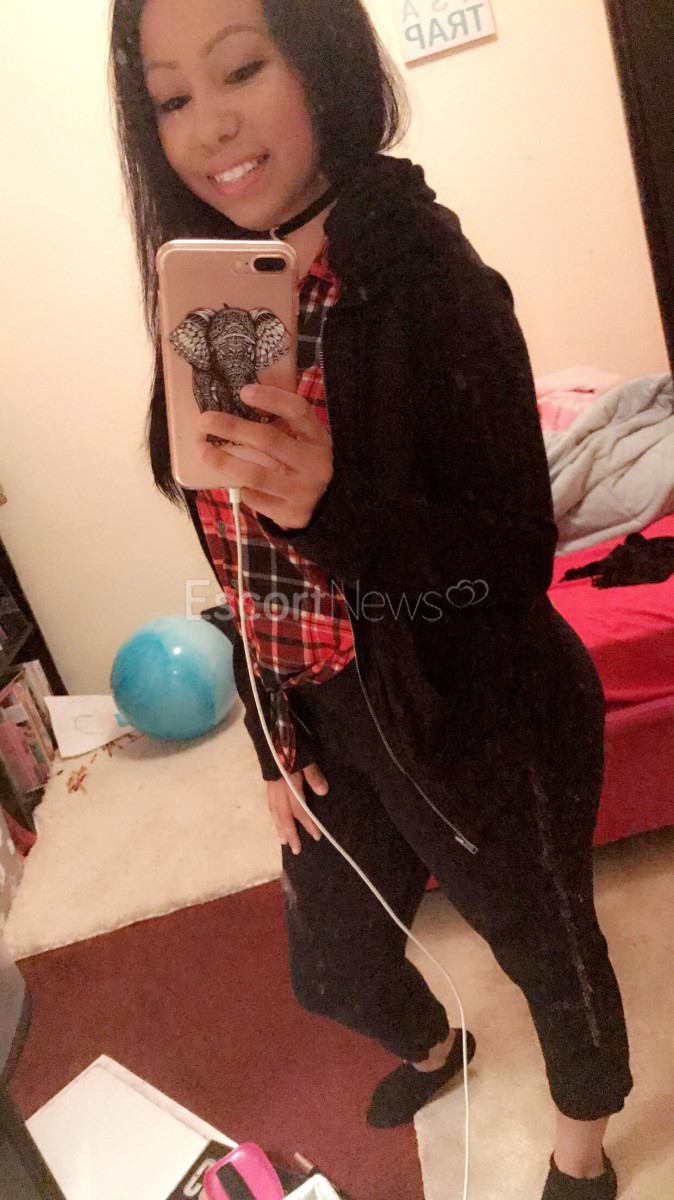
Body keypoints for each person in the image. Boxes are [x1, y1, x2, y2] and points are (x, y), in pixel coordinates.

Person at [109, 1, 633, 1195]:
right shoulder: (216, 291)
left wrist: (330, 506)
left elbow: (506, 564)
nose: (208, 125)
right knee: (333, 969)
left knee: (545, 950)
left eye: (241, 68)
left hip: (472, 708)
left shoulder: (426, 283)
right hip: (322, 714)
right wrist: (268, 739)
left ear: (321, 55)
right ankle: (437, 1046)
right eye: (171, 98)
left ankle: (582, 1154)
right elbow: (238, 564)